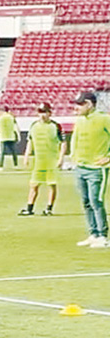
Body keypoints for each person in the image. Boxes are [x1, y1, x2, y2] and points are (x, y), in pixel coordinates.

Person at [69, 91, 110, 248]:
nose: (76, 108)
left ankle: (103, 235)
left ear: (89, 104)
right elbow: (75, 139)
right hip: (81, 167)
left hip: (97, 168)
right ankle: (93, 233)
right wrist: (74, 158)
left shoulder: (104, 119)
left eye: (80, 104)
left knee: (96, 201)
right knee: (86, 202)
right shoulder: (80, 121)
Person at [18, 102, 65, 216]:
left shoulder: (55, 126)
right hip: (39, 160)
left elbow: (63, 143)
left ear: (50, 113)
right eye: (40, 112)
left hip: (51, 160)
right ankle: (29, 208)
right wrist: (26, 155)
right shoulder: (34, 126)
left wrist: (61, 158)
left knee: (51, 184)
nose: (42, 115)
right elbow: (30, 141)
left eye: (45, 112)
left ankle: (49, 208)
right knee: (34, 185)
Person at [0, 105, 19, 171]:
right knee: (14, 152)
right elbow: (16, 127)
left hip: (3, 137)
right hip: (11, 137)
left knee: (2, 153)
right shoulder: (11, 117)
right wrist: (18, 136)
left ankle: (0, 166)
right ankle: (16, 165)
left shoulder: (0, 118)